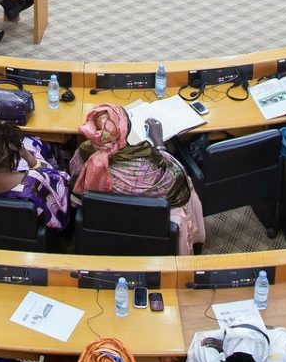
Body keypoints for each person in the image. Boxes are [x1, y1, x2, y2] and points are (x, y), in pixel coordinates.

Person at [71, 105, 206, 253]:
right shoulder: (149, 165)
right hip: (149, 227)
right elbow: (177, 176)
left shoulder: (83, 154)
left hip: (101, 226)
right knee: (186, 184)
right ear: (125, 130)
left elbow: (74, 182)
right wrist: (159, 143)